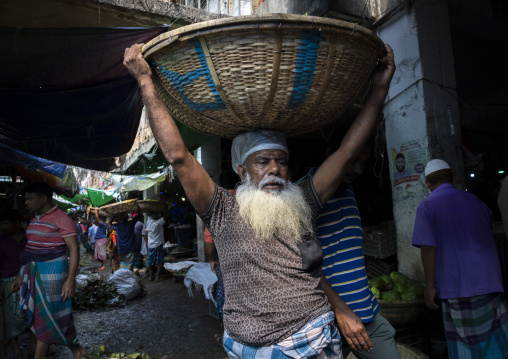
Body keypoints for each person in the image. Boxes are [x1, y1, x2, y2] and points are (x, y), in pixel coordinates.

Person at [123, 42, 395, 357]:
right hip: (246, 345)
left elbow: (347, 151)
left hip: (310, 337)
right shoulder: (222, 208)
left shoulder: (302, 200)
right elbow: (179, 157)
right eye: (263, 161)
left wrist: (380, 88)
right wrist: (145, 81)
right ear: (242, 171)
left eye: (281, 161)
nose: (275, 169)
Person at [299, 127, 400, 358]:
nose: (357, 169)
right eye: (352, 160)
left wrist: (366, 302)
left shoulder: (348, 191)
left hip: (367, 316)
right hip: (327, 321)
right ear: (331, 153)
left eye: (363, 162)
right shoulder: (305, 193)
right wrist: (341, 310)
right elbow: (301, 264)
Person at [412, 159, 508, 359]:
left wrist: (429, 287)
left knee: (467, 347)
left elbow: (428, 248)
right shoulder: (474, 201)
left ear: (427, 184)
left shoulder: (427, 206)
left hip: (459, 288)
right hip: (491, 283)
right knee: (495, 344)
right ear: (453, 179)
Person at [11, 182, 85, 359]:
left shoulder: (62, 219)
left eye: (30, 199)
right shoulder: (35, 218)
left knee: (48, 315)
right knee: (45, 315)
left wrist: (70, 280)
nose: (26, 202)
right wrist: (20, 275)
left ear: (43, 199)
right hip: (34, 271)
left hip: (54, 272)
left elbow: (74, 250)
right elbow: (31, 249)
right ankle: (77, 350)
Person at [0, 209, 36, 357]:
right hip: (7, 281)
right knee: (10, 318)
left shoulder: (30, 238)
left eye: (5, 223)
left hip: (28, 279)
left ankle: (32, 348)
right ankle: (16, 350)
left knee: (31, 314)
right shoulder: (2, 240)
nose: (2, 227)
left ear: (15, 223)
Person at [142, 212, 165, 281]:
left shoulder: (147, 223)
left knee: (151, 261)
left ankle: (151, 276)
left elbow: (143, 233)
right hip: (158, 244)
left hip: (150, 245)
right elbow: (165, 215)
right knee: (160, 261)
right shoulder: (158, 223)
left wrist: (146, 242)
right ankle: (157, 277)